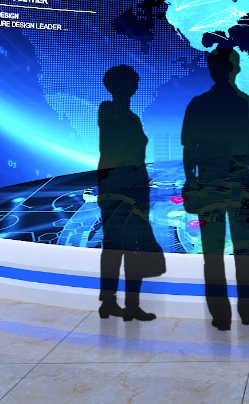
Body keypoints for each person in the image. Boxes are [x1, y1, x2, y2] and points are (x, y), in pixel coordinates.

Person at [181, 48, 249, 331]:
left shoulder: (198, 104)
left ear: (212, 70)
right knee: (244, 250)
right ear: (237, 69)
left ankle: (219, 316)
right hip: (241, 183)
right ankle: (247, 311)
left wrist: (190, 181)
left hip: (208, 184)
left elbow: (189, 150)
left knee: (212, 252)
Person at [97, 65, 165, 321]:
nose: (135, 86)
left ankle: (128, 305)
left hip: (132, 188)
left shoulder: (130, 116)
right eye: (131, 82)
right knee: (117, 246)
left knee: (130, 246)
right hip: (120, 189)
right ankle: (111, 303)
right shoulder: (109, 110)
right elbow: (119, 153)